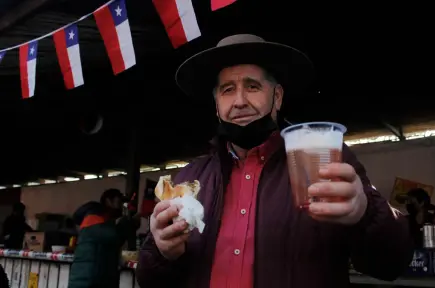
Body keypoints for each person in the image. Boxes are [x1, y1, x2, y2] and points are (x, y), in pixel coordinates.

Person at [136, 34, 414, 288]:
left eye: (253, 87)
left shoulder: (322, 159)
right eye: (227, 90)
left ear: (277, 97)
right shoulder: (190, 178)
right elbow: (150, 280)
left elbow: (391, 264)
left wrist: (364, 214)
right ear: (217, 106)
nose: (240, 101)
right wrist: (161, 252)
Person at [68, 189, 127, 288]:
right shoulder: (94, 217)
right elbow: (114, 237)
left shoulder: (105, 220)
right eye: (119, 202)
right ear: (109, 201)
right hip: (88, 282)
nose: (121, 206)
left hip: (92, 280)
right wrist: (127, 222)